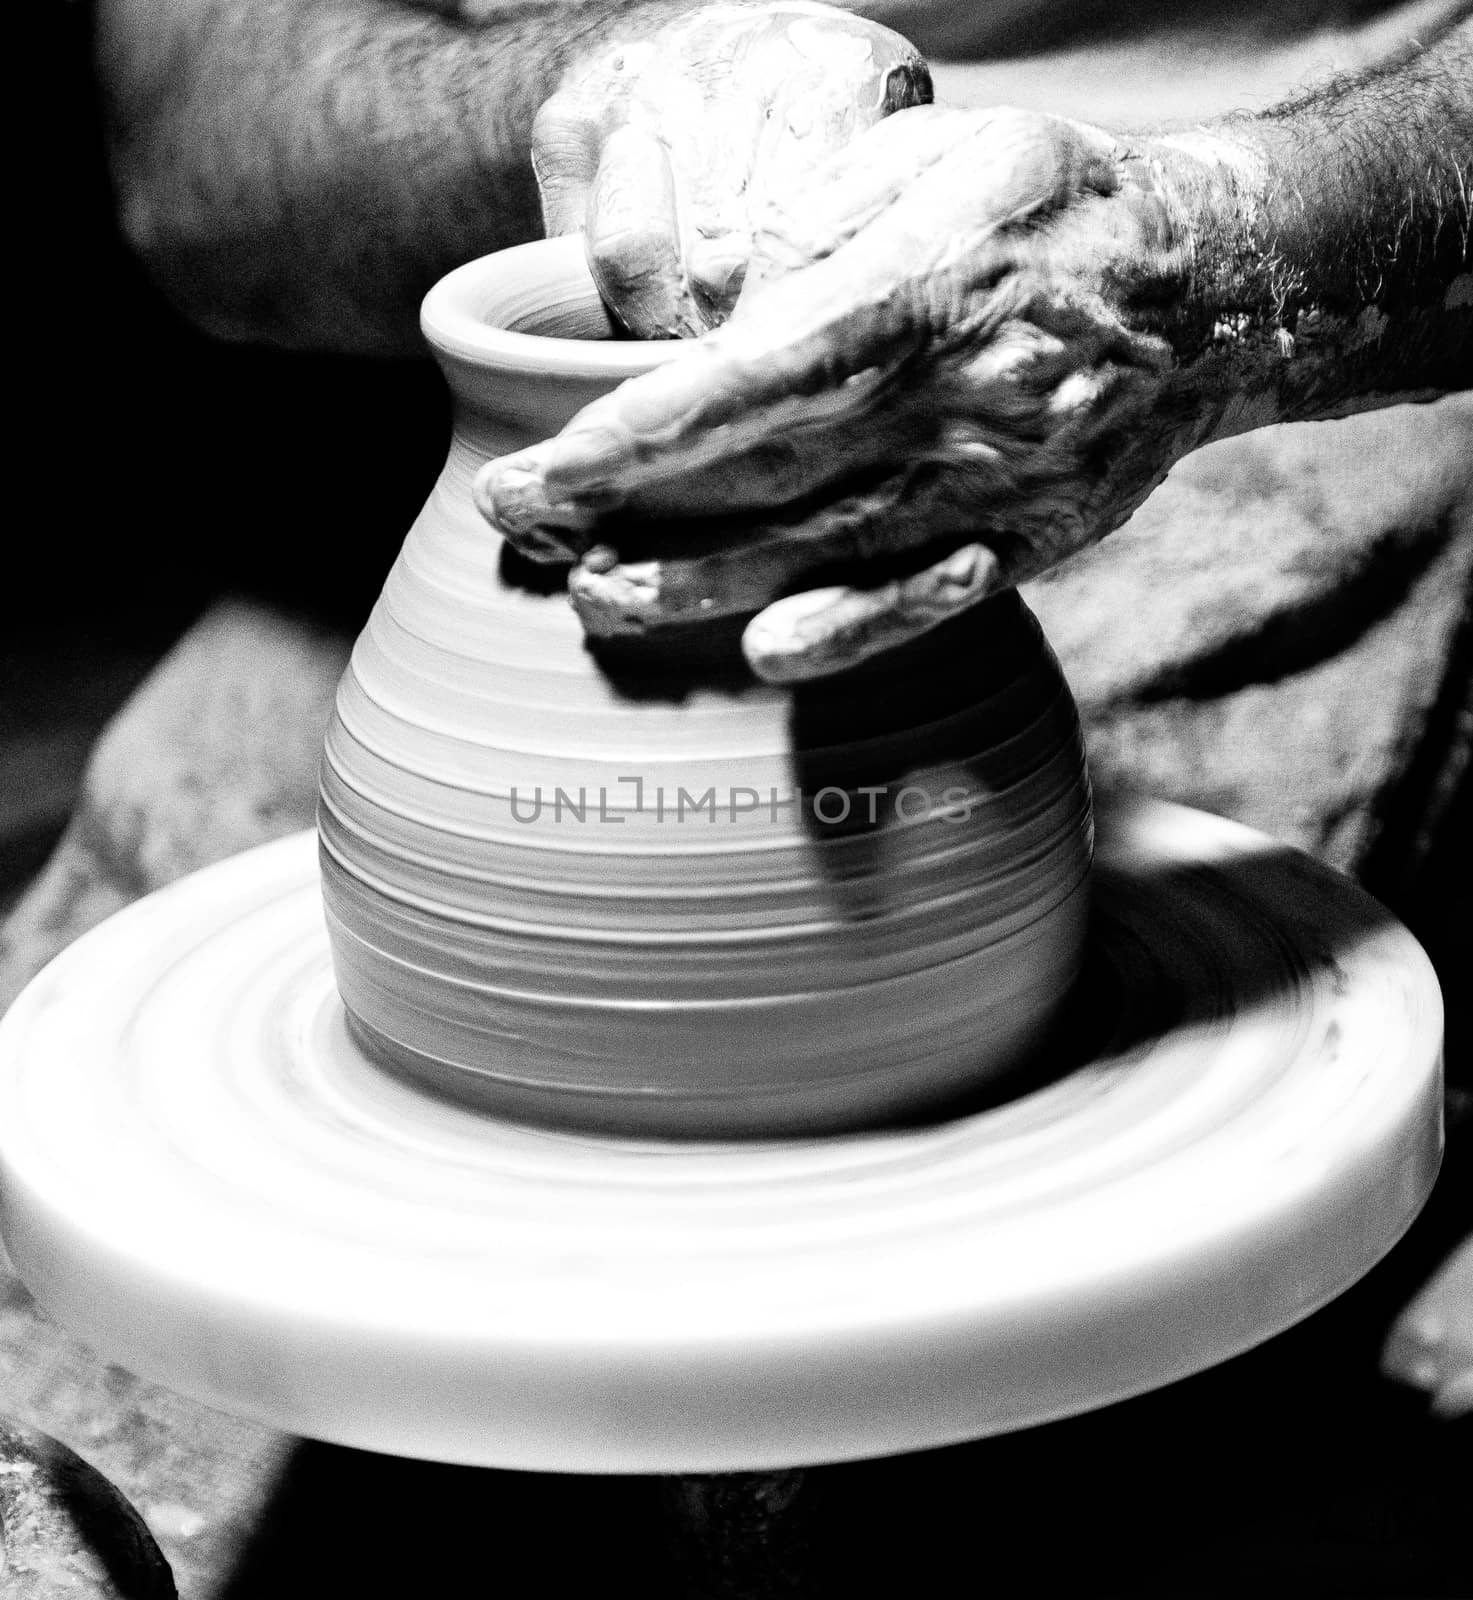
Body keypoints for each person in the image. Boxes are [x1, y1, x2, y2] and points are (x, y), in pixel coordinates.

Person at [92, 0, 1469, 680]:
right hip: (477, 467)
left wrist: (1228, 257)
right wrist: (575, 91)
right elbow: (187, 156)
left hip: (1245, 321)